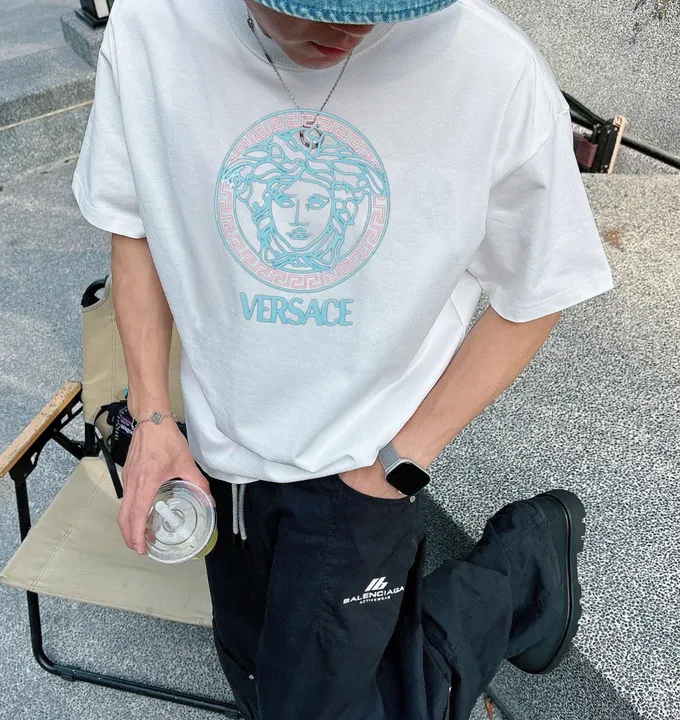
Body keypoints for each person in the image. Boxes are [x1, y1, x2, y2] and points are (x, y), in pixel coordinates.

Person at [71, 0, 615, 717]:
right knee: (256, 672)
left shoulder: (492, 67)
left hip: (362, 461)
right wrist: (151, 414)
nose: (355, 24)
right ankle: (528, 565)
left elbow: (541, 286)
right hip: (214, 450)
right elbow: (136, 220)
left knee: (313, 705)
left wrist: (403, 460)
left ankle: (521, 570)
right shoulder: (152, 28)